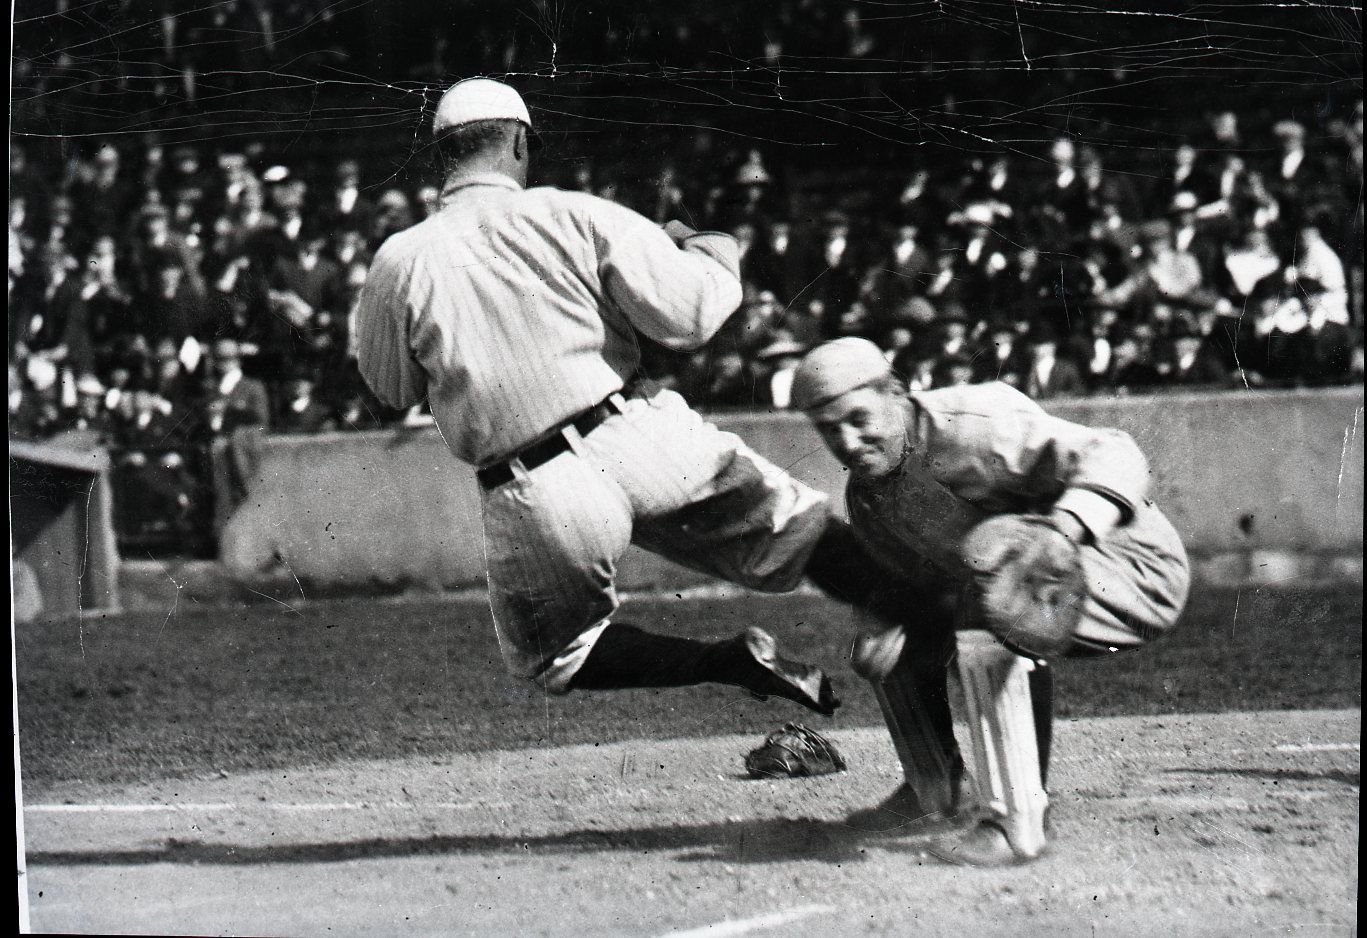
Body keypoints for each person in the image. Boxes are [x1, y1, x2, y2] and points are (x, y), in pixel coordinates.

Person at [356, 78, 871, 715]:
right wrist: (713, 252)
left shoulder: (399, 259)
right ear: (519, 143)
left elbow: (390, 388)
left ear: (441, 157)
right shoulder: (576, 212)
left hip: (534, 482)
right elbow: (691, 319)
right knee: (804, 529)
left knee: (561, 655)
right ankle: (929, 613)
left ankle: (727, 660)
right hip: (632, 432)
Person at [788, 337, 1190, 866]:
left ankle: (1015, 822)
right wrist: (888, 626)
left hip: (1131, 563)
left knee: (992, 592)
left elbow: (1117, 451)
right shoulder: (869, 498)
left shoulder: (972, 422)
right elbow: (917, 595)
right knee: (890, 632)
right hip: (1029, 587)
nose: (846, 439)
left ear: (896, 392)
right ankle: (936, 792)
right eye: (827, 429)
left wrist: (1063, 531)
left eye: (858, 417)